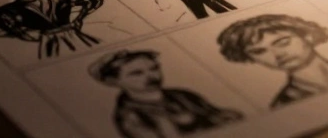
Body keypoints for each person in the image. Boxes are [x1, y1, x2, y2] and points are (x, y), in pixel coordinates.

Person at [218, 14, 328, 108]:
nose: (277, 54)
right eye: (259, 51)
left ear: (307, 35)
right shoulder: (283, 106)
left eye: (283, 42)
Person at [90, 49, 242, 137]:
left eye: (154, 68)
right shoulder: (130, 116)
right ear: (113, 81)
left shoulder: (182, 95)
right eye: (136, 73)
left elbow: (214, 113)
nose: (151, 76)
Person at [0, 0, 103, 59]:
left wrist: (80, 17)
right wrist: (19, 31)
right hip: (46, 39)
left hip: (74, 34)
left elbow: (93, 0)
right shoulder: (11, 10)